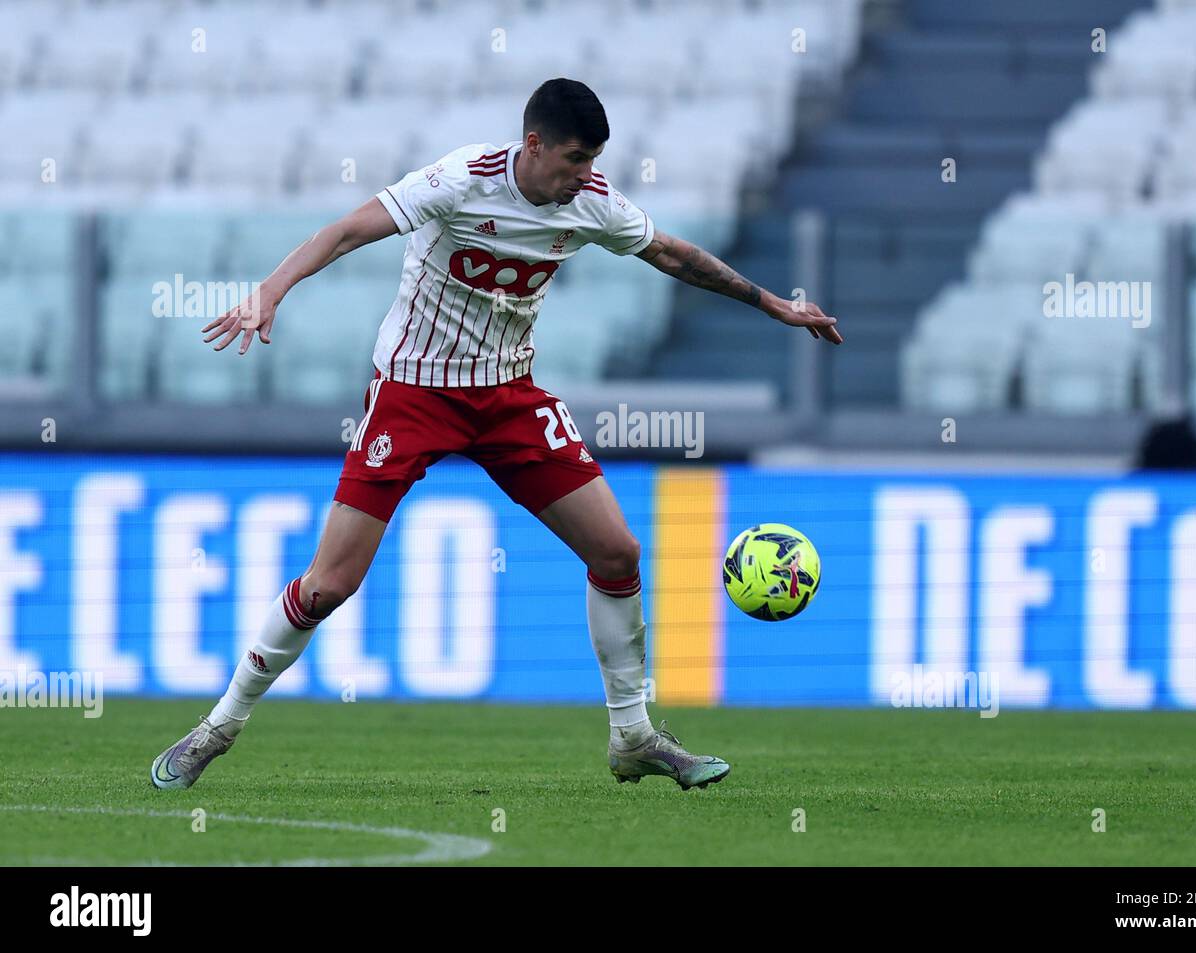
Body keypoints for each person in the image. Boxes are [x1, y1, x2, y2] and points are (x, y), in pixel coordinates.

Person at [150, 78, 842, 792]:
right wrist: (273, 287)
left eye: (593, 161)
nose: (583, 175)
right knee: (331, 584)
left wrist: (773, 305)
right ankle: (219, 727)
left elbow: (670, 253)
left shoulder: (589, 201)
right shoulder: (459, 181)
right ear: (532, 144)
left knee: (616, 550)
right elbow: (349, 229)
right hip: (413, 395)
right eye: (573, 159)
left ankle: (633, 736)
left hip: (507, 396)